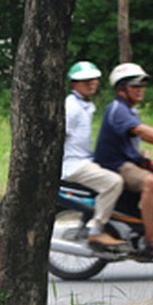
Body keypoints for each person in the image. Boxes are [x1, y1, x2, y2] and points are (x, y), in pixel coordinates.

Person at [93, 63, 153, 256]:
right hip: (115, 166)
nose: (140, 90)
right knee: (150, 182)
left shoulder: (129, 110)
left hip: (127, 162)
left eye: (142, 86)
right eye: (135, 86)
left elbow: (132, 140)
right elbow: (141, 131)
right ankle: (151, 236)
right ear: (121, 89)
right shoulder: (117, 109)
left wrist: (142, 155)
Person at [62, 61, 126, 249]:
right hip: (73, 164)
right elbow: (60, 138)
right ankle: (97, 231)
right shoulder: (72, 107)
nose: (91, 83)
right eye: (84, 80)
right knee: (113, 182)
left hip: (84, 160)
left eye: (94, 79)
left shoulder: (84, 105)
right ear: (73, 83)